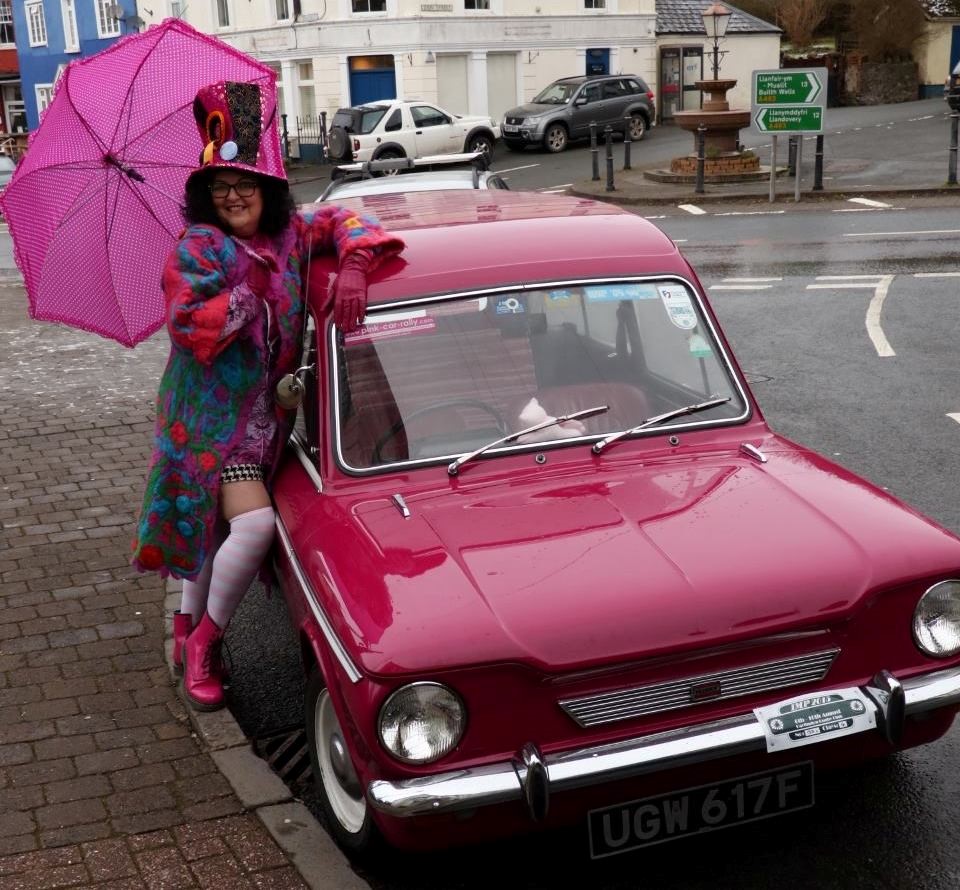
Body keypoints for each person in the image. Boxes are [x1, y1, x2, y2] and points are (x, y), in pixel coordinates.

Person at [131, 81, 404, 712]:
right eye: (221, 187)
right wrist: (247, 292)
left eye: (245, 185)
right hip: (210, 422)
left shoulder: (292, 238)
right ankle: (206, 642)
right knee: (250, 525)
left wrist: (357, 264)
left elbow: (347, 218)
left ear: (269, 190)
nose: (233, 197)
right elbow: (186, 322)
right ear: (206, 194)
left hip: (264, 423)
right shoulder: (200, 246)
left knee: (211, 530)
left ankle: (183, 628)